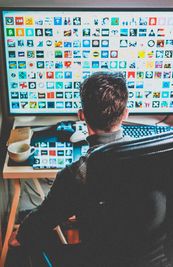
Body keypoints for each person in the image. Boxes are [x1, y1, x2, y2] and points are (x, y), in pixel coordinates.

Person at [7, 71, 129, 266]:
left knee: (28, 243)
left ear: (81, 116)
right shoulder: (155, 158)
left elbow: (42, 221)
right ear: (125, 114)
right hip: (147, 254)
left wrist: (20, 235)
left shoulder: (77, 174)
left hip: (98, 259)